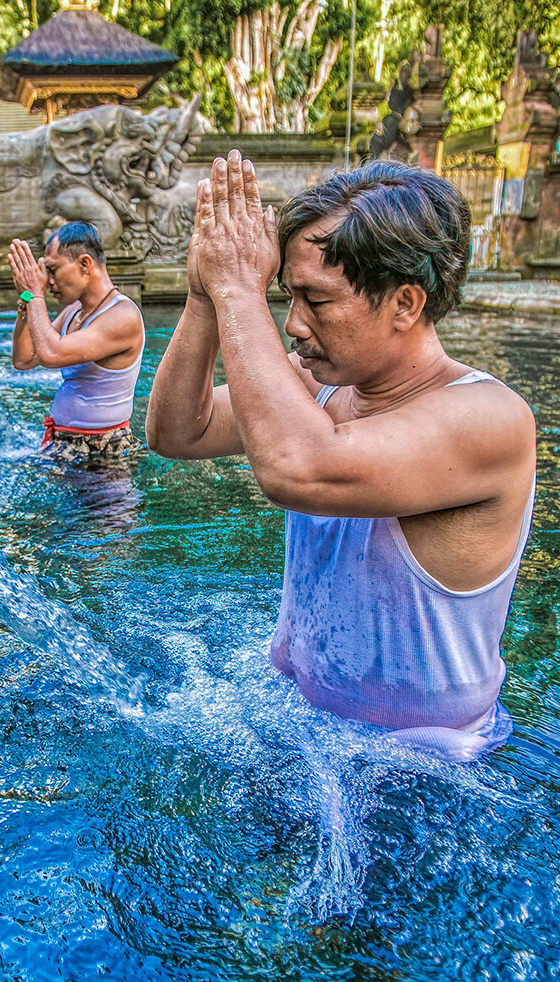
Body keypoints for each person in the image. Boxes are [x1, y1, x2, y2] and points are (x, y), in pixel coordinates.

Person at [146, 152, 536, 760]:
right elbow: (177, 432)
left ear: (405, 304)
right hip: (295, 721)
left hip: (424, 767)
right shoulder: (318, 391)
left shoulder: (490, 418)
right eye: (287, 297)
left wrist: (236, 287)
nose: (295, 325)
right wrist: (205, 295)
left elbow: (297, 468)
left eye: (317, 301)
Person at [7, 222, 146, 466]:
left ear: (84, 264)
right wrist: (28, 299)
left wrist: (35, 295)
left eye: (53, 269)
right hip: (63, 443)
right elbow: (24, 359)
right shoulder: (74, 311)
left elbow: (51, 353)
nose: (48, 280)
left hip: (103, 452)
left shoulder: (123, 316)